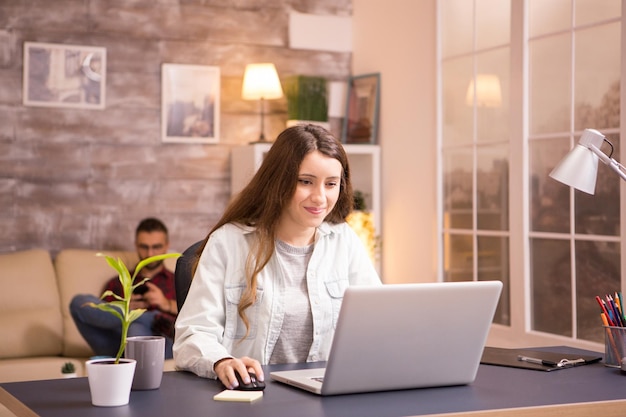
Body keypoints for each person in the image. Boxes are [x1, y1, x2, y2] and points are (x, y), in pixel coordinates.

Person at [173, 124, 381, 389]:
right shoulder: (228, 243)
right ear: (279, 180)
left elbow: (376, 326)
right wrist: (222, 361)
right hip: (252, 397)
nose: (320, 197)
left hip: (327, 396)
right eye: (305, 181)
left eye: (331, 184)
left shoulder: (344, 240)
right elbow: (193, 333)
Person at [70, 217, 178, 359]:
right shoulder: (118, 282)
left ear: (166, 246)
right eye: (144, 247)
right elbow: (101, 318)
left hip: (161, 343)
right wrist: (125, 308)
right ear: (136, 245)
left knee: (136, 329)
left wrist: (166, 304)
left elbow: (196, 318)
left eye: (156, 247)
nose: (150, 254)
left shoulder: (176, 281)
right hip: (117, 342)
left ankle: (145, 320)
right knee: (78, 303)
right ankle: (136, 317)